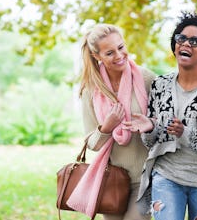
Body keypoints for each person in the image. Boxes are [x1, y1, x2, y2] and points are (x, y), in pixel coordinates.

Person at [123, 12, 197, 220]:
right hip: (167, 176)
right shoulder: (160, 85)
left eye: (195, 41)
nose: (186, 44)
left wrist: (185, 133)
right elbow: (151, 141)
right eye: (181, 38)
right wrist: (149, 129)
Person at [66, 24, 156, 220]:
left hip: (146, 177)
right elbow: (92, 143)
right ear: (97, 56)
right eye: (109, 52)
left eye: (121, 47)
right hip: (111, 178)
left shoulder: (146, 78)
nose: (119, 55)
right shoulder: (91, 89)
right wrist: (107, 127)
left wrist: (150, 123)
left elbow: (164, 121)